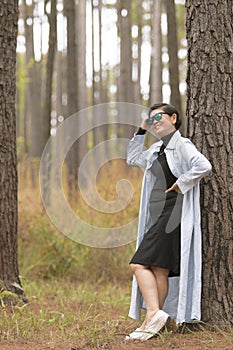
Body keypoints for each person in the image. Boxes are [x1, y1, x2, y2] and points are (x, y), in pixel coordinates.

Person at [125, 103, 212, 341]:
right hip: (160, 215)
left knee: (138, 264)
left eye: (160, 117)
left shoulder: (182, 145)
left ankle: (153, 313)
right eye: (151, 118)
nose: (155, 121)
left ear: (174, 118)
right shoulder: (156, 149)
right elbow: (132, 158)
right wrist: (141, 130)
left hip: (174, 213)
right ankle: (153, 325)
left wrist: (182, 183)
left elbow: (204, 165)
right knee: (159, 270)